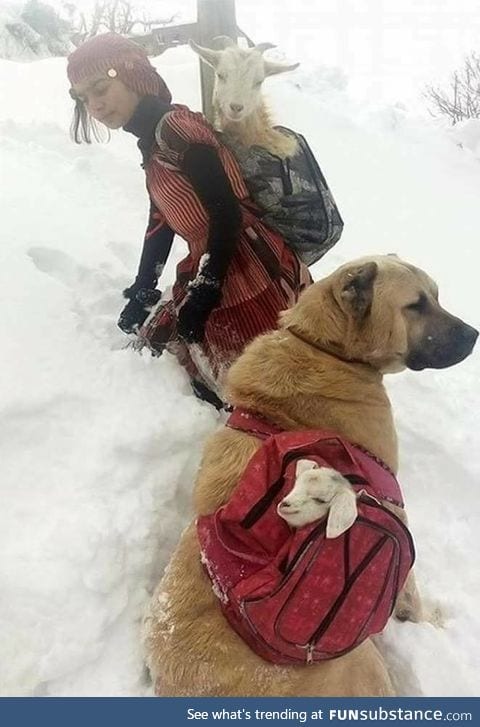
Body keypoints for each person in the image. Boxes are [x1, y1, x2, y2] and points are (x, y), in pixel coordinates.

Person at [67, 33, 311, 407]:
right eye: (84, 98)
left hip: (244, 265)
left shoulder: (176, 129)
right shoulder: (152, 139)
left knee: (259, 390)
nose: (95, 105)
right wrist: (144, 287)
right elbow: (160, 219)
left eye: (100, 88)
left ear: (132, 75)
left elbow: (226, 212)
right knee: (167, 358)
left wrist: (207, 287)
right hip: (214, 261)